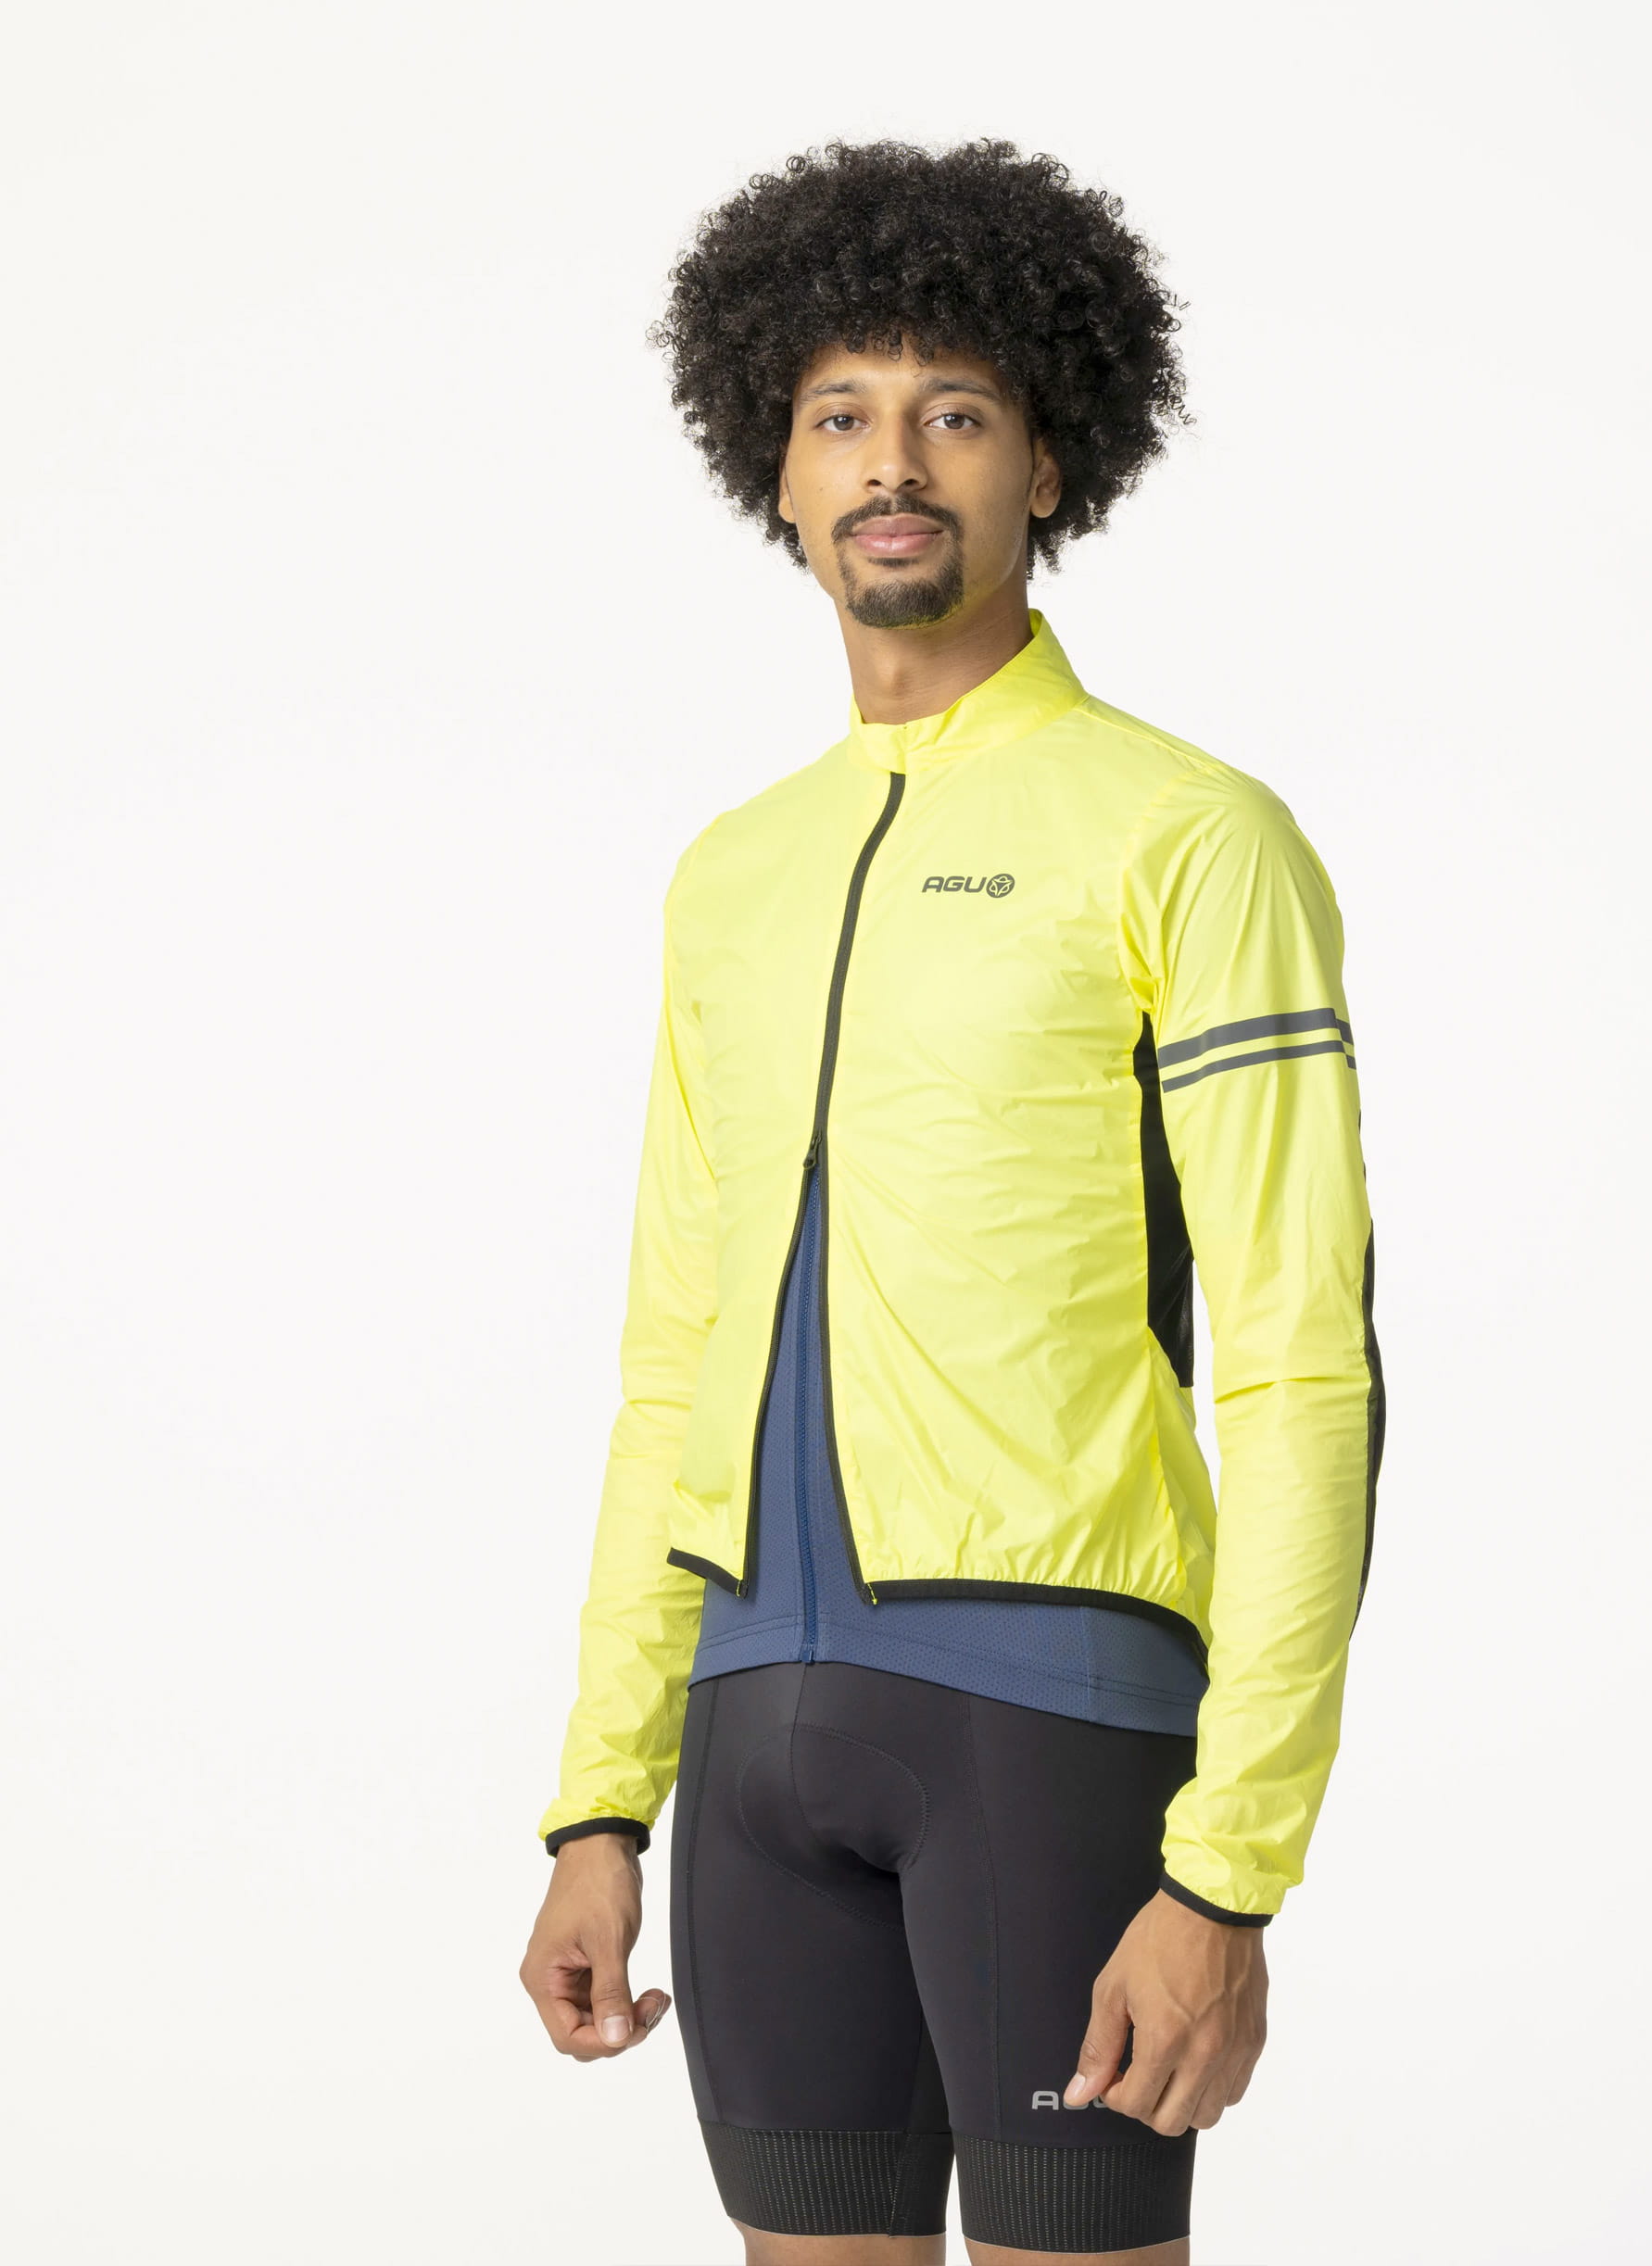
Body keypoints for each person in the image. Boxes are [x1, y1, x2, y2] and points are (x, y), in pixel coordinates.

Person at [519, 137, 1384, 2266]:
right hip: (747, 1745)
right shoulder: (731, 872)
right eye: (842, 414)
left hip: (1051, 1736)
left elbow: (1299, 1367)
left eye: (956, 413)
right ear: (779, 471)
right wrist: (599, 1794)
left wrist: (1230, 1863)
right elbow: (669, 1361)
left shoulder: (1187, 833)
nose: (893, 462)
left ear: (1046, 464)